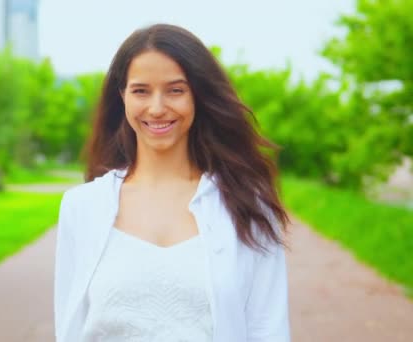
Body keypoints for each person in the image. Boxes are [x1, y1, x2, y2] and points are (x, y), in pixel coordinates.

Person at [54, 23, 290, 342]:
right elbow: (69, 328)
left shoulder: (248, 205)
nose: (157, 108)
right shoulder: (81, 207)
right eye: (141, 91)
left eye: (175, 90)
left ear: (198, 96)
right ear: (122, 96)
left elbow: (268, 329)